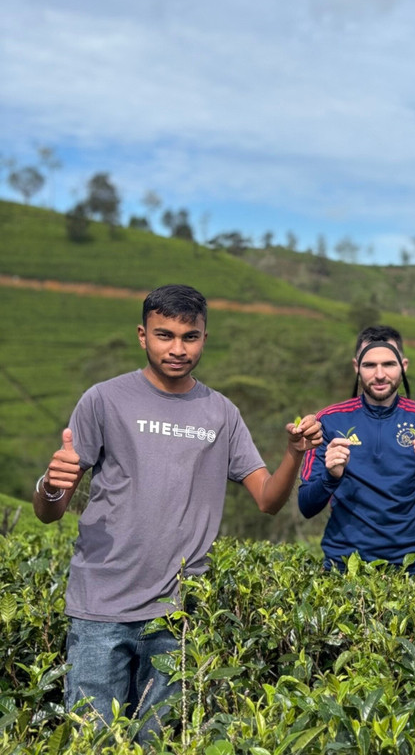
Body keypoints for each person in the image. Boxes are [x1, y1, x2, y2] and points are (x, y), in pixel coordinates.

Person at [33, 284, 323, 743]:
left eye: (190, 337)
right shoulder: (104, 400)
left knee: (160, 744)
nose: (177, 348)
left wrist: (293, 453)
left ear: (204, 338)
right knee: (92, 742)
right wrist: (52, 484)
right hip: (100, 607)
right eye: (164, 335)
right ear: (142, 336)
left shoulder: (221, 413)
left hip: (176, 615)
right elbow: (50, 513)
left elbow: (267, 499)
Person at [298, 325, 415, 573]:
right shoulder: (329, 420)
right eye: (369, 365)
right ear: (356, 367)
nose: (379, 374)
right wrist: (331, 476)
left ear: (403, 366)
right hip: (344, 568)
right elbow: (306, 506)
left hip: (410, 569)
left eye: (389, 364)